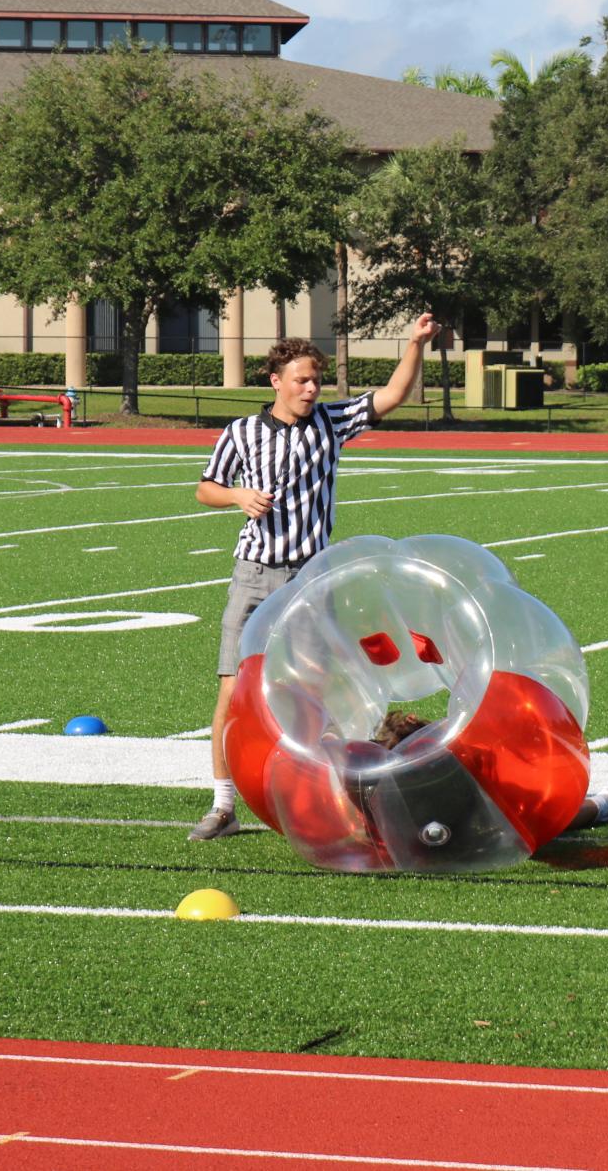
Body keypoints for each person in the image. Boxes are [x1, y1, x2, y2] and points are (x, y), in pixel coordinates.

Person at [189, 315, 439, 840]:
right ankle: (223, 805)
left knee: (312, 696)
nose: (310, 389)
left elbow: (391, 397)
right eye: (301, 380)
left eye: (316, 381)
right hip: (254, 574)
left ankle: (329, 801)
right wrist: (237, 496)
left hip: (308, 582)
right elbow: (206, 488)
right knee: (232, 694)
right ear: (275, 380)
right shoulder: (242, 433)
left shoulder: (330, 423)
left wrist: (414, 345)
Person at [377, 712, 608, 832]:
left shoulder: (454, 769)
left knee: (534, 818)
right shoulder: (381, 798)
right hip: (450, 825)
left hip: (468, 811)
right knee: (537, 823)